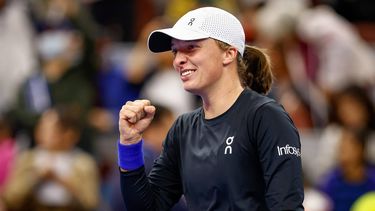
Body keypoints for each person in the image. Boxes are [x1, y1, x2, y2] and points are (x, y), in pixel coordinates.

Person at [117, 7, 304, 210]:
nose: (178, 60)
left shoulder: (265, 116)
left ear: (229, 54)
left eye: (191, 48)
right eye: (175, 50)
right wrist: (130, 143)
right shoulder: (183, 128)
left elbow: (286, 206)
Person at [1, 106, 100, 211]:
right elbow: (10, 197)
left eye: (50, 129)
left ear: (69, 134)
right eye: (41, 127)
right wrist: (36, 177)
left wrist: (62, 181)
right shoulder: (28, 159)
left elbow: (91, 202)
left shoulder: (83, 163)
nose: (42, 133)